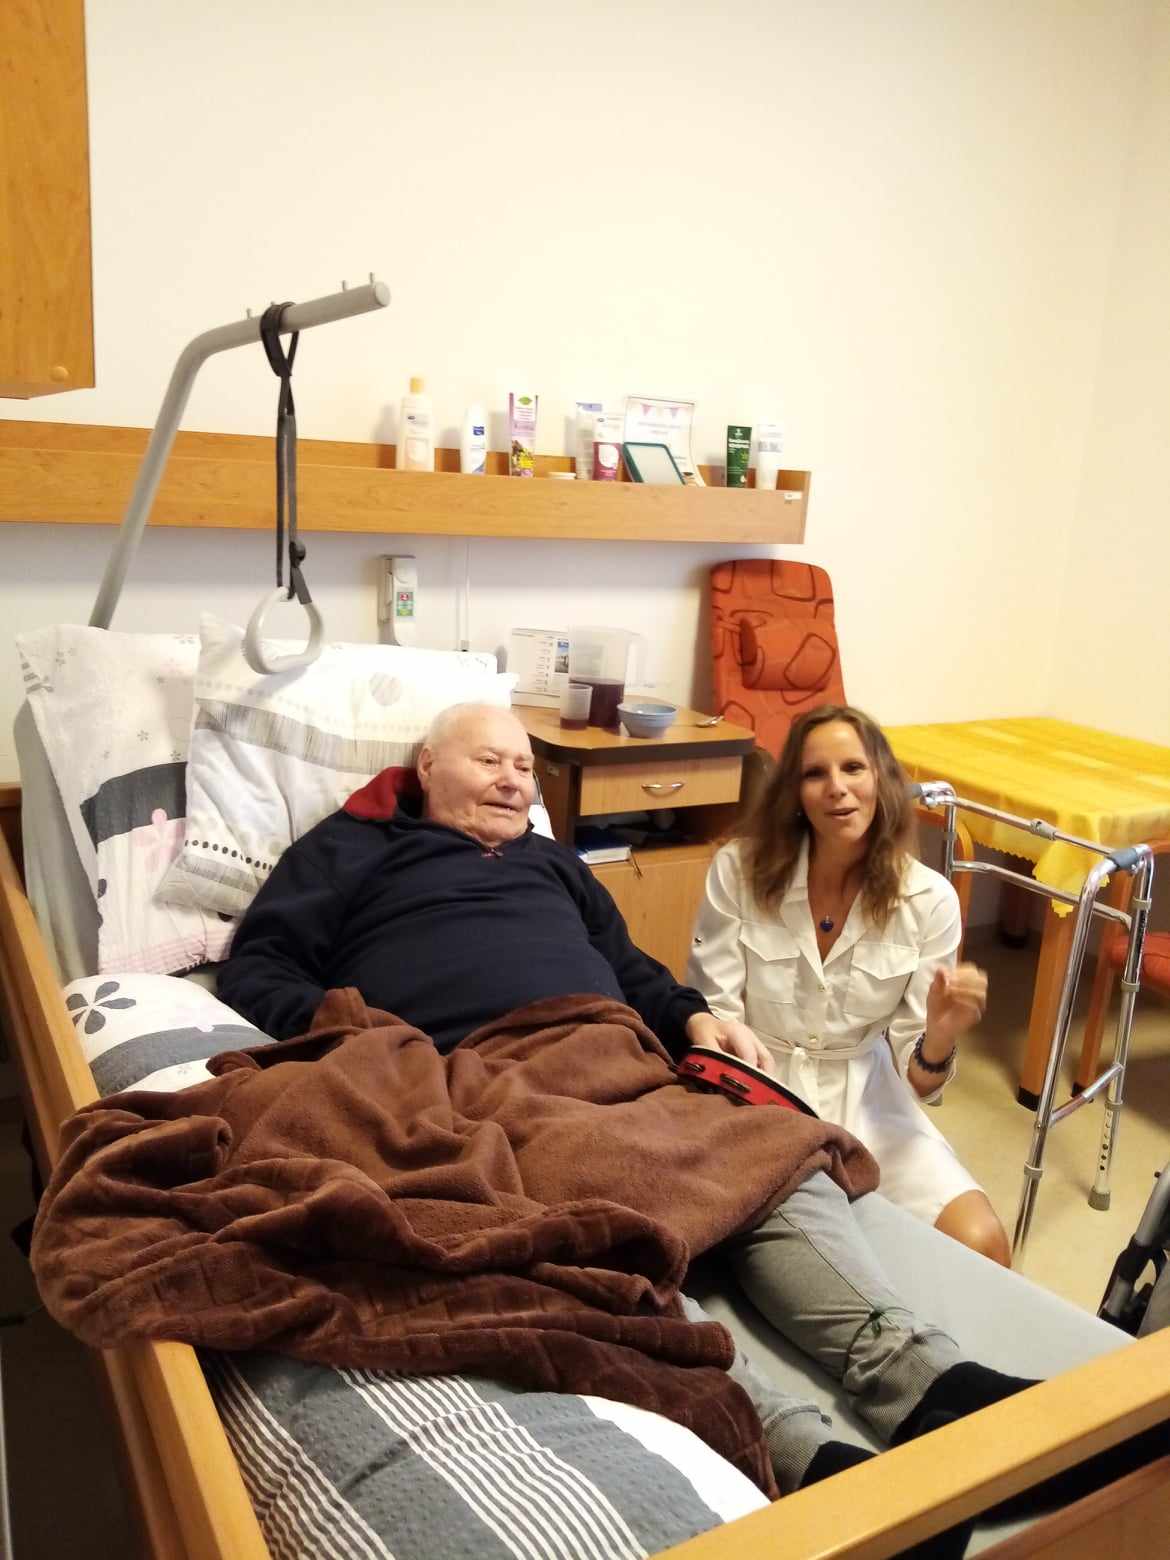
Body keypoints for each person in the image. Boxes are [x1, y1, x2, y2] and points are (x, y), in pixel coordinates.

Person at [219, 702, 1120, 1535]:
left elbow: (631, 966)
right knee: (593, 1221)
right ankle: (800, 1451)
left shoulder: (551, 862)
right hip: (485, 1071)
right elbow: (258, 968)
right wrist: (370, 1040)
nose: (513, 781)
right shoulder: (350, 850)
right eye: (489, 761)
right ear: (425, 768)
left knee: (771, 1156)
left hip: (617, 1051)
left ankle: (927, 1380)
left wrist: (691, 1019)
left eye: (525, 769)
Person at [687, 703, 1010, 1266]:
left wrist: (939, 1037)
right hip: (754, 1092)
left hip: (868, 1100)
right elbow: (716, 1013)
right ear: (794, 792)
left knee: (983, 1241)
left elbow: (919, 1080)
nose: (837, 787)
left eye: (853, 768)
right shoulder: (738, 870)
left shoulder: (928, 900)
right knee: (806, 1254)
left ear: (882, 778)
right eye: (816, 773)